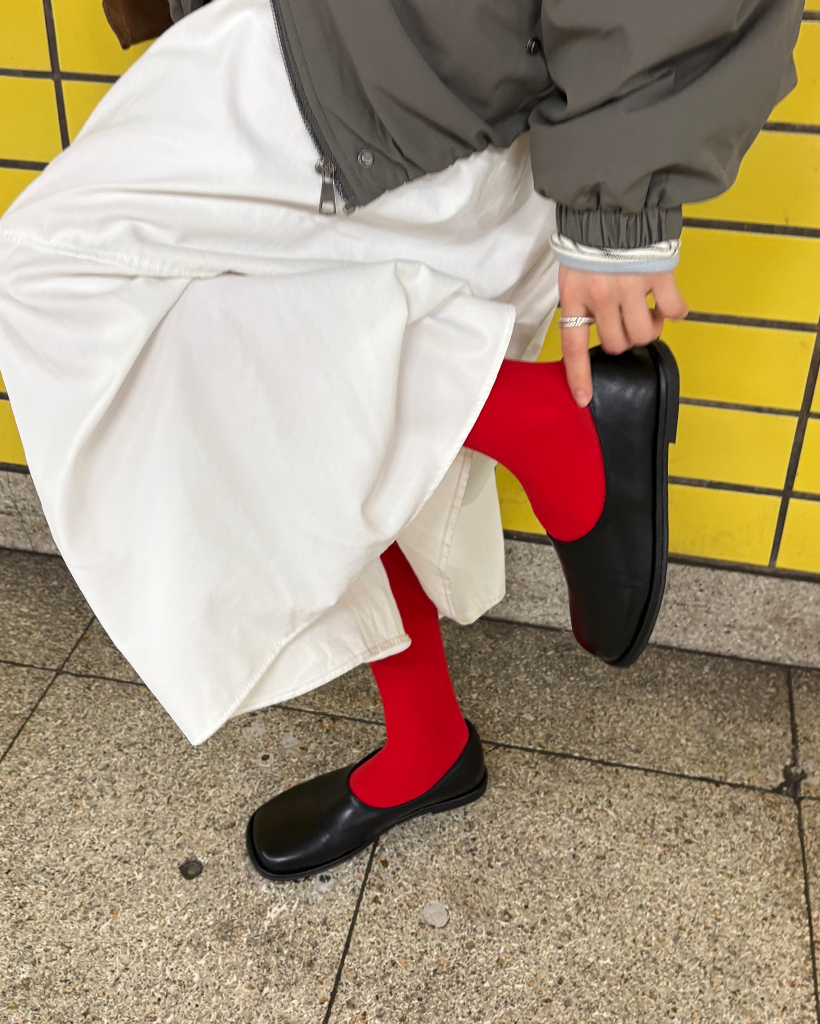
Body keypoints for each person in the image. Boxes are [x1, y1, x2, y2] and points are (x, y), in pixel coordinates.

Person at [0, 0, 801, 881]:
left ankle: (545, 426)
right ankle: (428, 737)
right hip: (368, 39)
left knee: (51, 276)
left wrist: (622, 194)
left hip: (403, 47)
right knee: (327, 388)